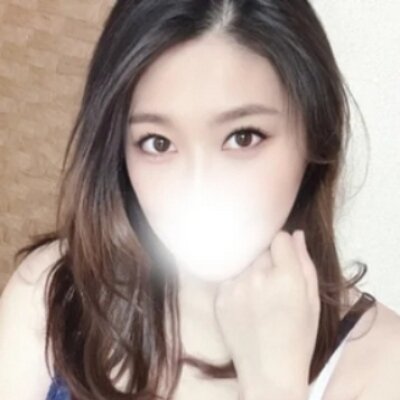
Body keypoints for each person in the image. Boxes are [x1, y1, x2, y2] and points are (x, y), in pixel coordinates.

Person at [1, 1, 400, 399]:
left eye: (243, 137)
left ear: (314, 133)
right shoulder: (53, 295)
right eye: (158, 143)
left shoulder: (383, 365)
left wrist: (275, 387)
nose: (198, 186)